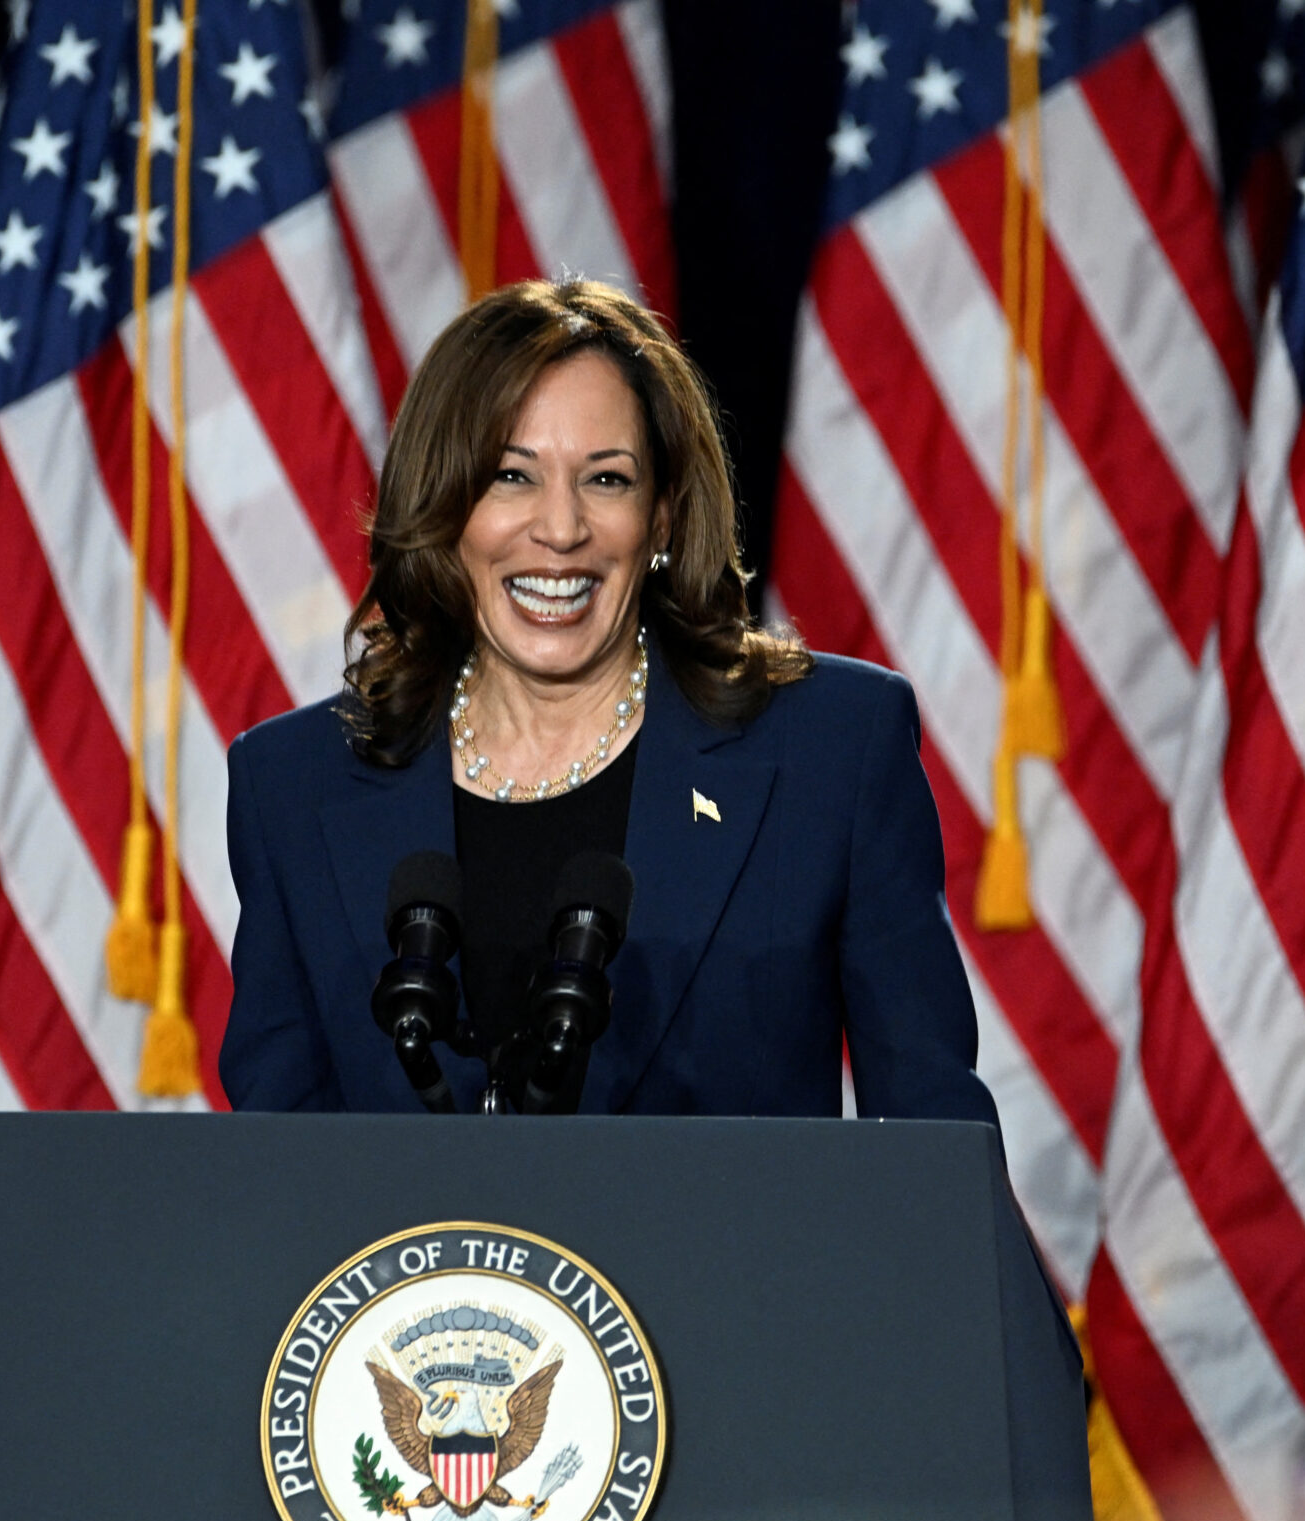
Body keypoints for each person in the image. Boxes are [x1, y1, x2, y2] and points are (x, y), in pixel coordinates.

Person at [219, 278, 996, 1124]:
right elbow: (275, 1188)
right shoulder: (293, 789)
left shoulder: (831, 754)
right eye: (510, 475)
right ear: (444, 507)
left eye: (608, 480)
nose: (561, 528)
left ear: (662, 518)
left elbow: (935, 1145)